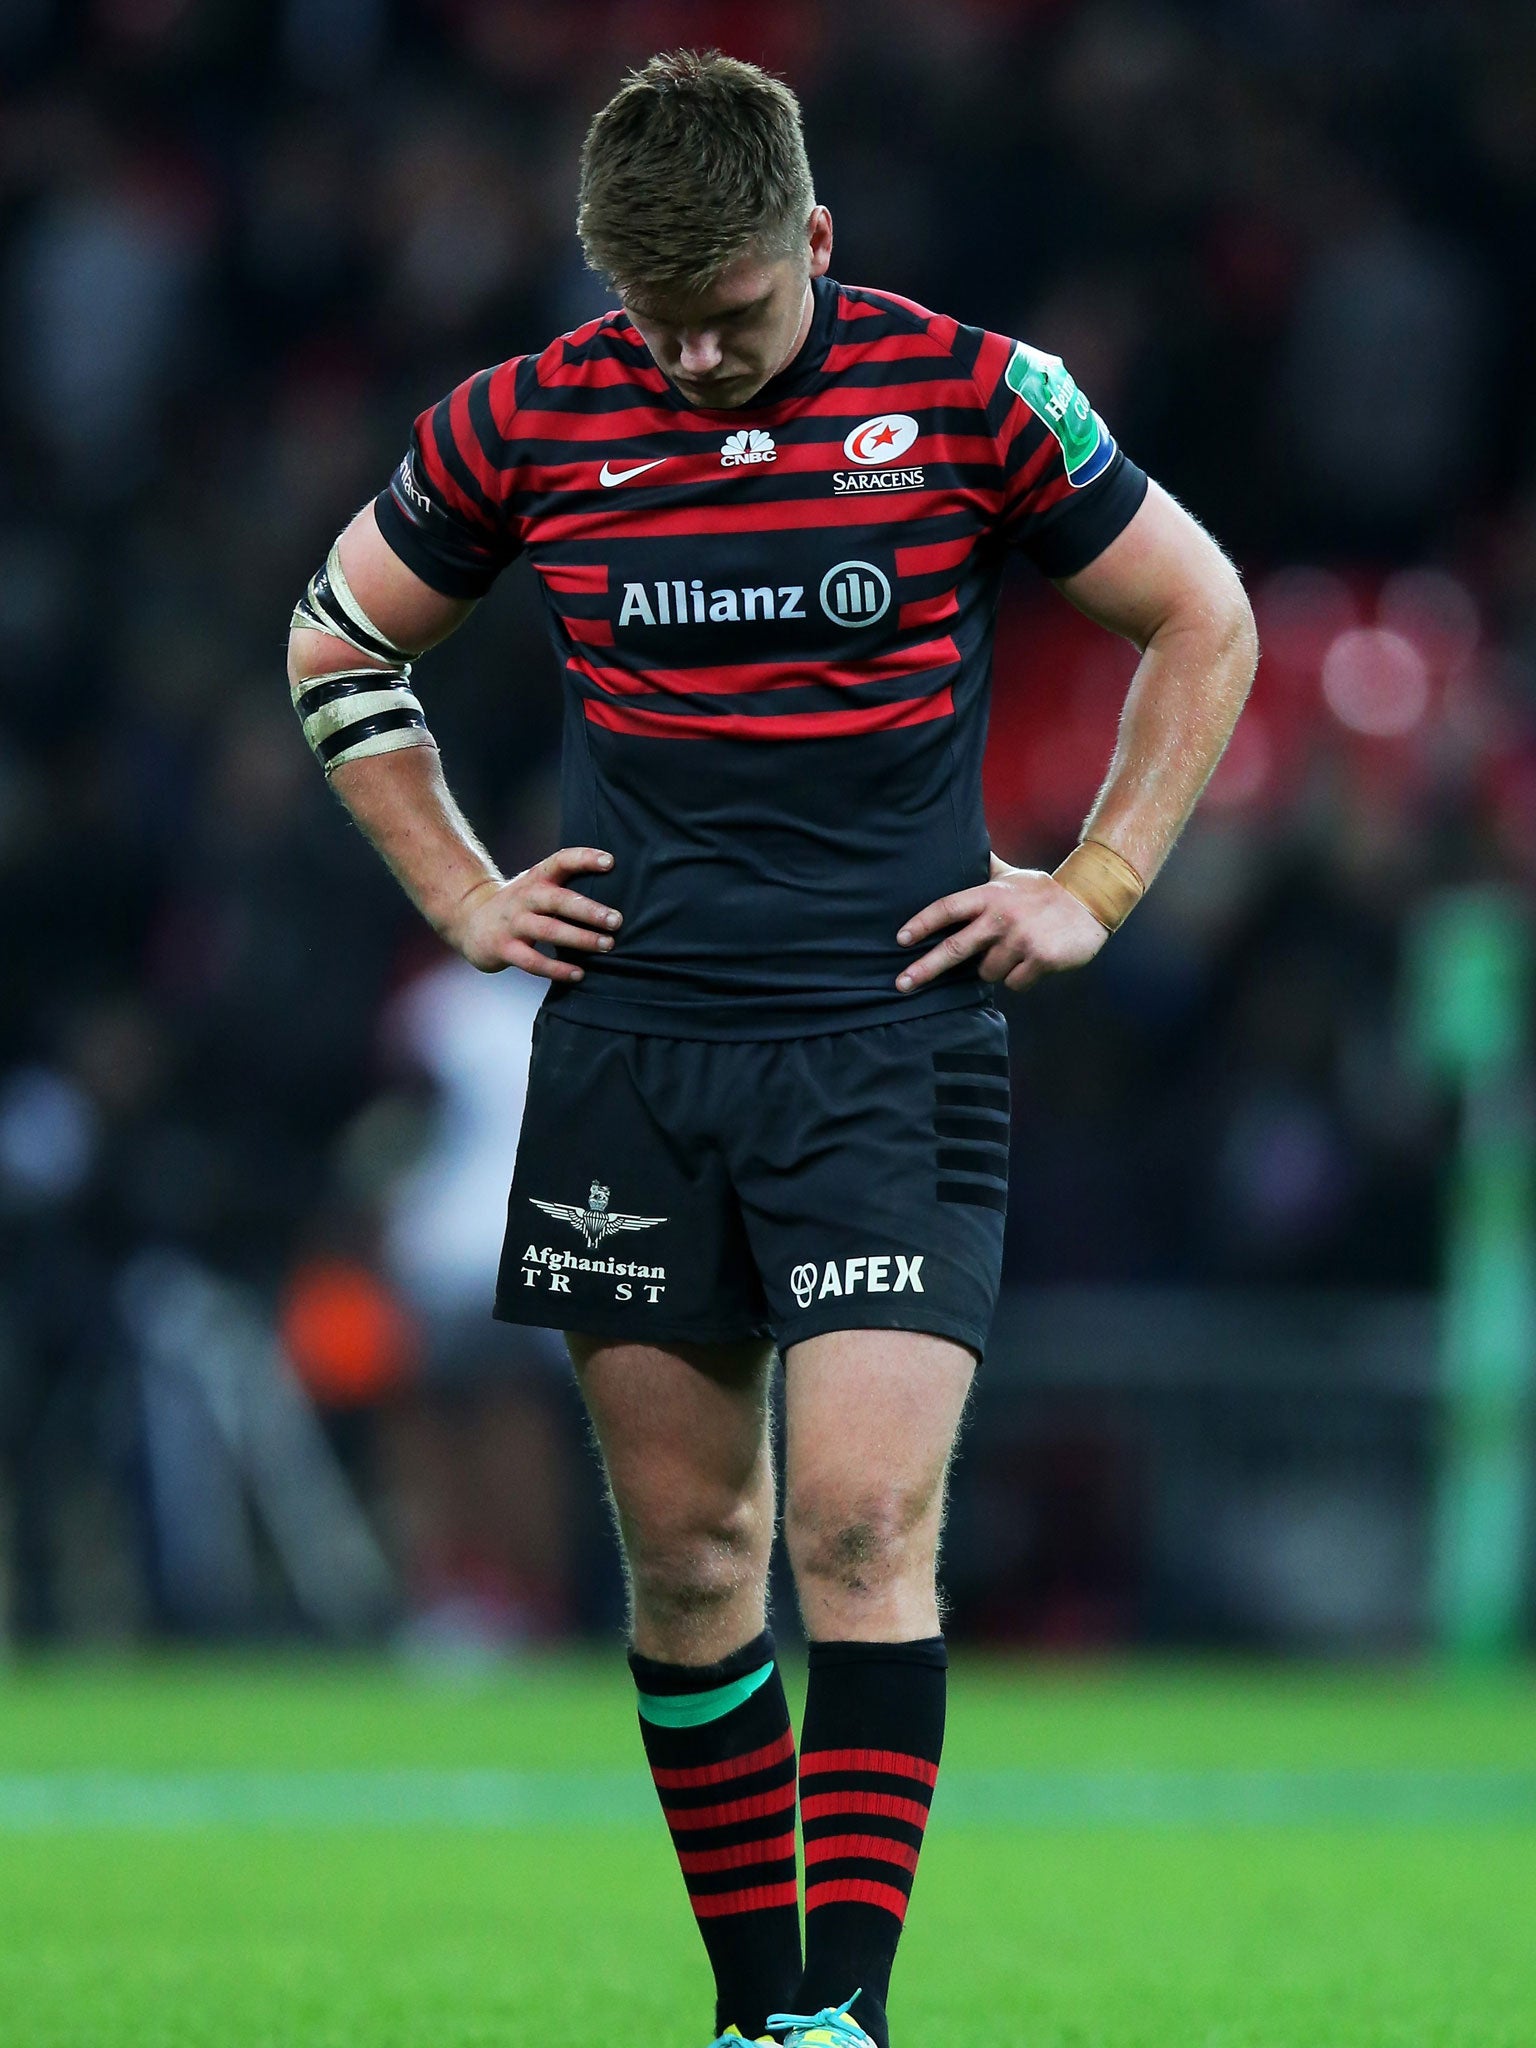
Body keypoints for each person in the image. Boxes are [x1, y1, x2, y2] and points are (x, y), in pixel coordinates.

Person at [285, 50, 1257, 2048]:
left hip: (892, 1039)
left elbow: (1205, 612)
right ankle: (755, 2014)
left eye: (735, 312)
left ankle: (850, 2014)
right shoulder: (524, 419)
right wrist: (466, 896)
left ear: (813, 236)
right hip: (635, 1052)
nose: (703, 358)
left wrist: (1102, 878)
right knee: (697, 1556)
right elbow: (333, 639)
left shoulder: (973, 395)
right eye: (662, 323)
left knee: (861, 1525)